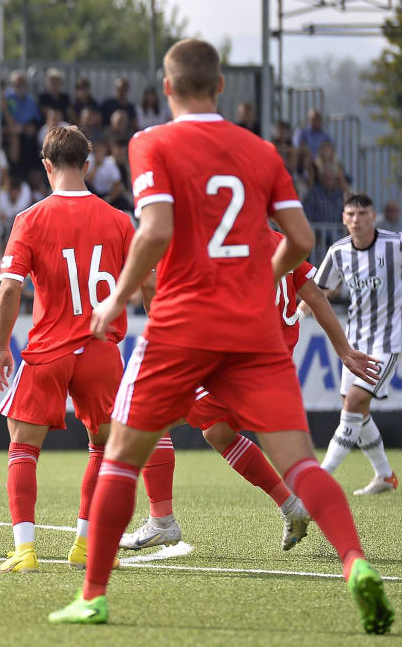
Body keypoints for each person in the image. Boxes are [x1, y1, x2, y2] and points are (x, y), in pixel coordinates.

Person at [49, 39, 391, 634]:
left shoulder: (149, 142)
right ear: (221, 87)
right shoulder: (260, 151)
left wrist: (119, 295)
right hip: (254, 330)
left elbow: (154, 230)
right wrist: (262, 277)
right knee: (301, 462)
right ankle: (355, 562)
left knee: (121, 458)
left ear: (167, 86)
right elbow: (303, 241)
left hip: (182, 325)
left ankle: (94, 596)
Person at [123, 227, 378, 552]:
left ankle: (162, 522)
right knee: (218, 433)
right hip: (271, 372)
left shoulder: (227, 247)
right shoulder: (279, 241)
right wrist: (343, 351)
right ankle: (292, 506)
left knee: (145, 419)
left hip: (234, 368)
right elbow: (314, 296)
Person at [0, 125, 141, 574]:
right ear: (88, 165)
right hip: (100, 349)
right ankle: (84, 543)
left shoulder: (31, 218)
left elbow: (10, 288)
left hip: (49, 349)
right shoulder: (119, 220)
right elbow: (147, 282)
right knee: (104, 445)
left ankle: (25, 550)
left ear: (46, 166)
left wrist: (2, 346)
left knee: (23, 445)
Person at [316, 193, 402, 494]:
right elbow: (318, 292)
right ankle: (385, 475)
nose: (356, 220)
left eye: (362, 213)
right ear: (343, 218)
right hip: (355, 342)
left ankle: (320, 477)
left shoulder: (395, 244)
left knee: (353, 403)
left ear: (373, 216)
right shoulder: (338, 251)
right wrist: (295, 318)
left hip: (389, 340)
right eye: (350, 214)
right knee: (357, 411)